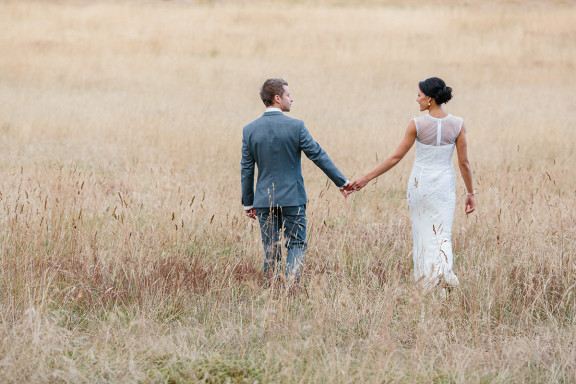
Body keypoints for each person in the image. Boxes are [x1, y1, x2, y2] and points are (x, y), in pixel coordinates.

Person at [349, 77, 476, 292]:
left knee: (423, 232)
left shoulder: (417, 124)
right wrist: (470, 192)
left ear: (430, 99)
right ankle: (443, 276)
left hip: (420, 184)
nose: (416, 99)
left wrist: (365, 179)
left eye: (419, 95)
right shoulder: (458, 124)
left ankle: (428, 283)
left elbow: (395, 158)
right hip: (445, 184)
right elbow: (463, 163)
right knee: (443, 233)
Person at [241, 78, 351, 287]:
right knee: (297, 243)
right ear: (277, 98)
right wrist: (341, 182)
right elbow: (317, 155)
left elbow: (246, 169)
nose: (292, 99)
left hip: (264, 201)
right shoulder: (296, 126)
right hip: (293, 198)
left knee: (271, 246)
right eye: (288, 95)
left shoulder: (250, 130)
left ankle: (273, 289)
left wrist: (248, 202)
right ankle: (291, 285)